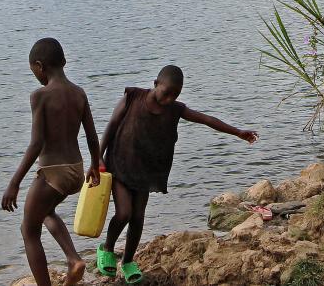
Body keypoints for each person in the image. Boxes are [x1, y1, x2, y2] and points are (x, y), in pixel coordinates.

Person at [95, 65, 258, 283]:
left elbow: (206, 119)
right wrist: (98, 157)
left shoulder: (175, 109)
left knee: (138, 217)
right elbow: (112, 126)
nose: (170, 99)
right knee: (123, 213)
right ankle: (107, 249)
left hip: (145, 171)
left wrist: (237, 132)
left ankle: (127, 261)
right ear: (155, 84)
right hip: (119, 164)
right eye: (167, 93)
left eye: (176, 95)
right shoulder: (132, 97)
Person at [1, 38, 101, 286]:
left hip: (52, 173)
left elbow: (36, 143)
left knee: (28, 230)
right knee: (45, 211)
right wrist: (95, 165)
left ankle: (57, 273)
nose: (35, 75)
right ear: (64, 62)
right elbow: (91, 134)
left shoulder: (40, 96)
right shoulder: (79, 93)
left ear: (39, 66)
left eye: (33, 70)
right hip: (76, 171)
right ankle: (73, 260)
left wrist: (14, 183)